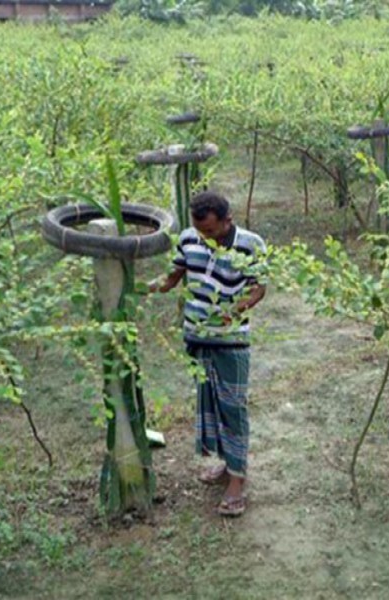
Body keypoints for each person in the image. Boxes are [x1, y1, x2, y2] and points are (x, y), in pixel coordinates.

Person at [149, 191, 266, 517]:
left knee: (233, 407)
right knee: (211, 403)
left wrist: (236, 308)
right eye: (200, 232)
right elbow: (172, 279)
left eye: (211, 232)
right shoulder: (188, 239)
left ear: (228, 220)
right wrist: (138, 288)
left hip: (231, 341)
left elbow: (259, 287)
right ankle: (228, 466)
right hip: (197, 337)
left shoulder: (251, 244)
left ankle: (238, 480)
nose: (205, 238)